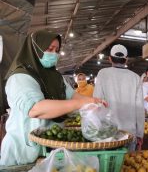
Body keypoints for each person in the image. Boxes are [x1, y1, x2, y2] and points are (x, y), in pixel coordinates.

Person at [0, 30, 105, 166]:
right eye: (49, 49)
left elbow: (74, 96)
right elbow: (36, 109)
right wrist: (79, 104)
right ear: (34, 49)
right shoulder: (20, 77)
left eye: (56, 50)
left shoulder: (56, 77)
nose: (54, 54)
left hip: (50, 151)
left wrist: (92, 103)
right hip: (23, 153)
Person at [93, 44, 144, 151]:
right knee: (130, 165)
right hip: (130, 133)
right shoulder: (135, 77)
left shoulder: (103, 74)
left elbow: (97, 102)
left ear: (109, 59)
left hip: (109, 133)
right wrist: (140, 133)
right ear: (126, 60)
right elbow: (139, 108)